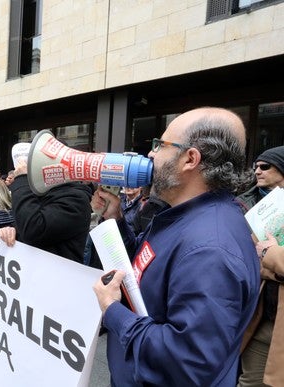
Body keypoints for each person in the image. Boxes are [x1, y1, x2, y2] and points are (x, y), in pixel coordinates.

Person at [91, 107, 260, 386]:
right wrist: (115, 219)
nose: (151, 154)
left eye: (160, 145)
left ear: (190, 159)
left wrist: (113, 311)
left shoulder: (209, 249)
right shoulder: (185, 217)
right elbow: (146, 269)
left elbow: (185, 362)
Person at [237, 145, 284, 387]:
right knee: (250, 381)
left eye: (265, 166)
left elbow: (265, 256)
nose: (257, 171)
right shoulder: (245, 202)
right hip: (262, 312)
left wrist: (271, 254)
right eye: (255, 166)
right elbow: (252, 259)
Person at [0, 153, 93, 264]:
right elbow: (26, 228)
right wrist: (9, 232)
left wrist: (23, 179)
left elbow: (33, 229)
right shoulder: (44, 193)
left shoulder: (76, 200)